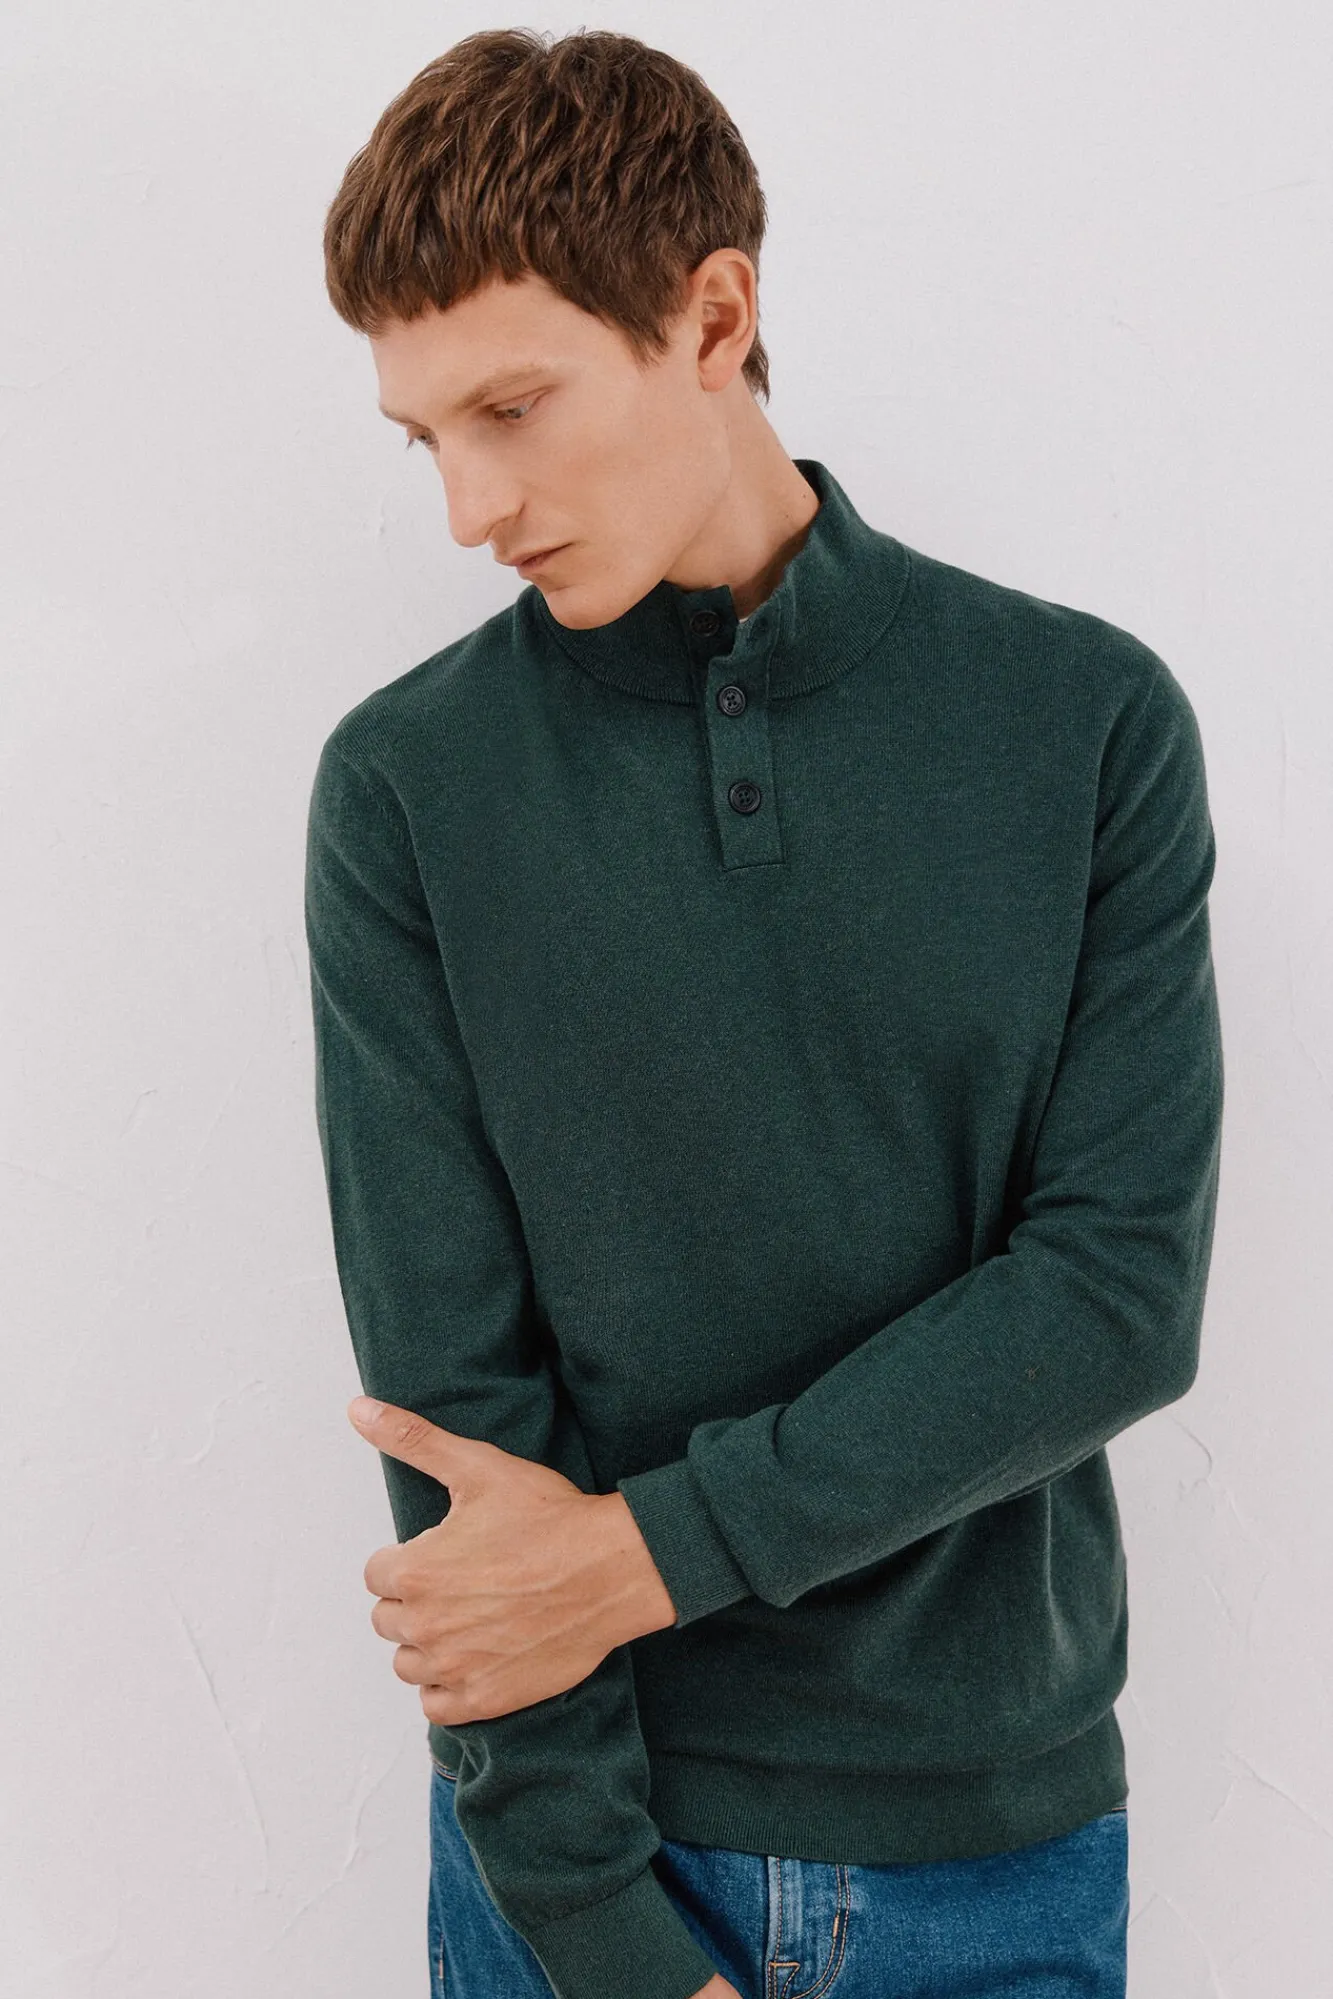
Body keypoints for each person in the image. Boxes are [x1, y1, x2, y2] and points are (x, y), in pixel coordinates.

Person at [303, 27, 1224, 1999]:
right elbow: (458, 1435)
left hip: (999, 1873)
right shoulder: (408, 793)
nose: (468, 506)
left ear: (714, 318)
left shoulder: (1081, 727)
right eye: (424, 437)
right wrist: (608, 1941)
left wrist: (642, 1556)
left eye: (514, 406)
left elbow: (1116, 1296)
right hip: (594, 1881)